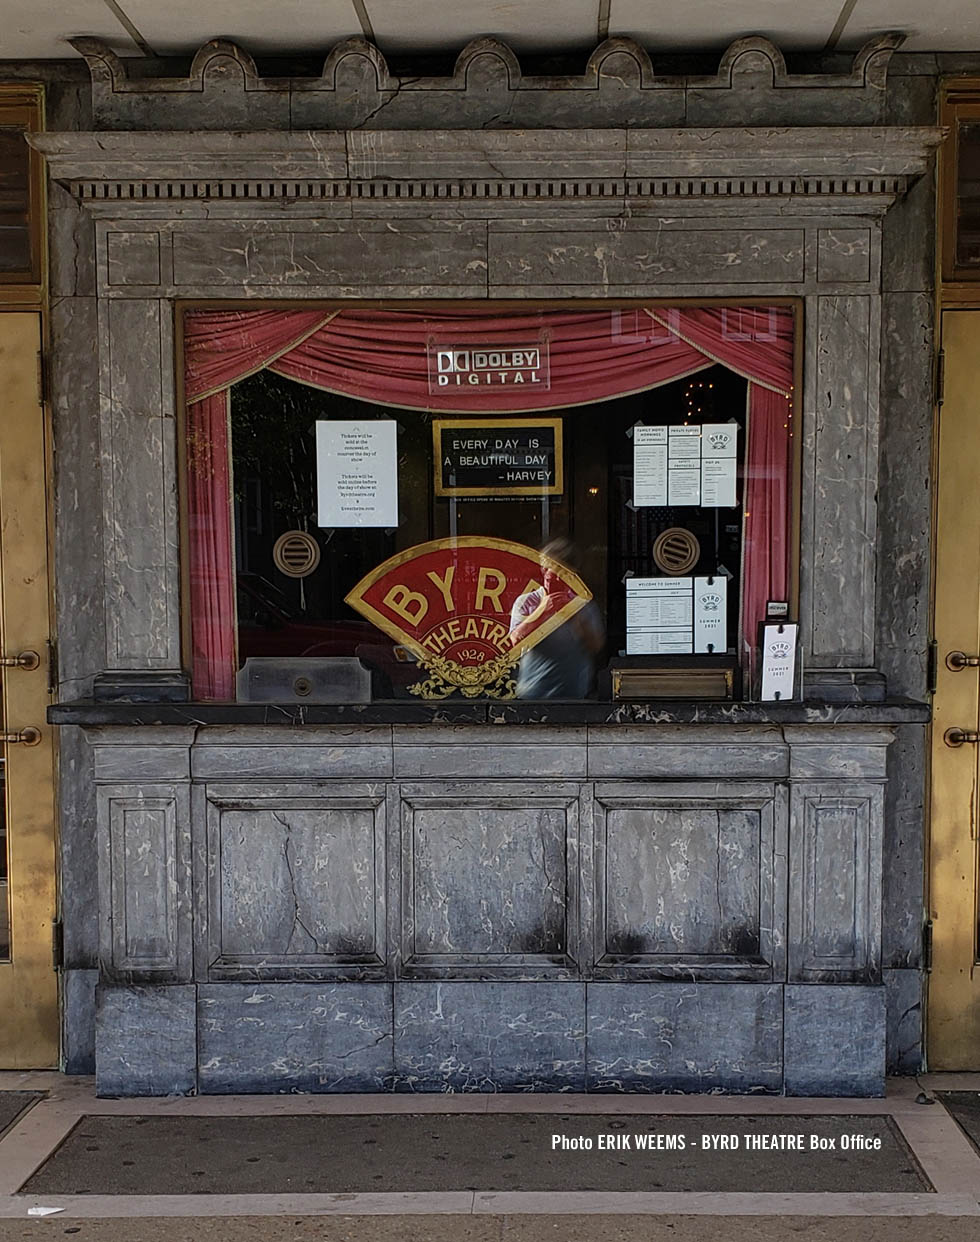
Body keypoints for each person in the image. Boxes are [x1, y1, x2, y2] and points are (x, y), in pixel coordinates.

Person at [508, 537, 604, 699]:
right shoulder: (527, 602)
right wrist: (543, 610)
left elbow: (596, 647)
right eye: (547, 569)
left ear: (572, 574)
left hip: (575, 694)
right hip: (533, 694)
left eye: (560, 572)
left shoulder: (584, 605)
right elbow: (515, 641)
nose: (551, 576)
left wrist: (575, 616)